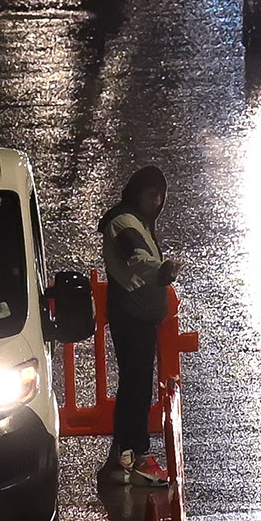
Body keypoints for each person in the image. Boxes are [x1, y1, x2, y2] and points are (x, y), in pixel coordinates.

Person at [98, 166, 180, 488]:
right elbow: (137, 260)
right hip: (132, 317)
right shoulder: (125, 223)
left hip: (138, 316)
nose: (157, 200)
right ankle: (138, 456)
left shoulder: (137, 221)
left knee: (134, 386)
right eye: (151, 194)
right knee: (136, 387)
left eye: (160, 194)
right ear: (137, 194)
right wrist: (163, 272)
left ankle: (123, 456)